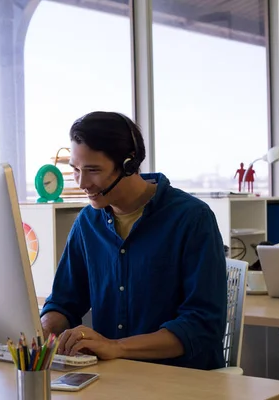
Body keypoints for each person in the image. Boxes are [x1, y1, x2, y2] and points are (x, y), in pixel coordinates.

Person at [40, 111, 227, 370]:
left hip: (181, 379)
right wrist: (43, 329)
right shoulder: (87, 223)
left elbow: (202, 326)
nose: (82, 183)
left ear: (129, 165)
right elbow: (64, 301)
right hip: (115, 378)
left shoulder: (192, 218)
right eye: (75, 170)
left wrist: (116, 347)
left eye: (93, 170)